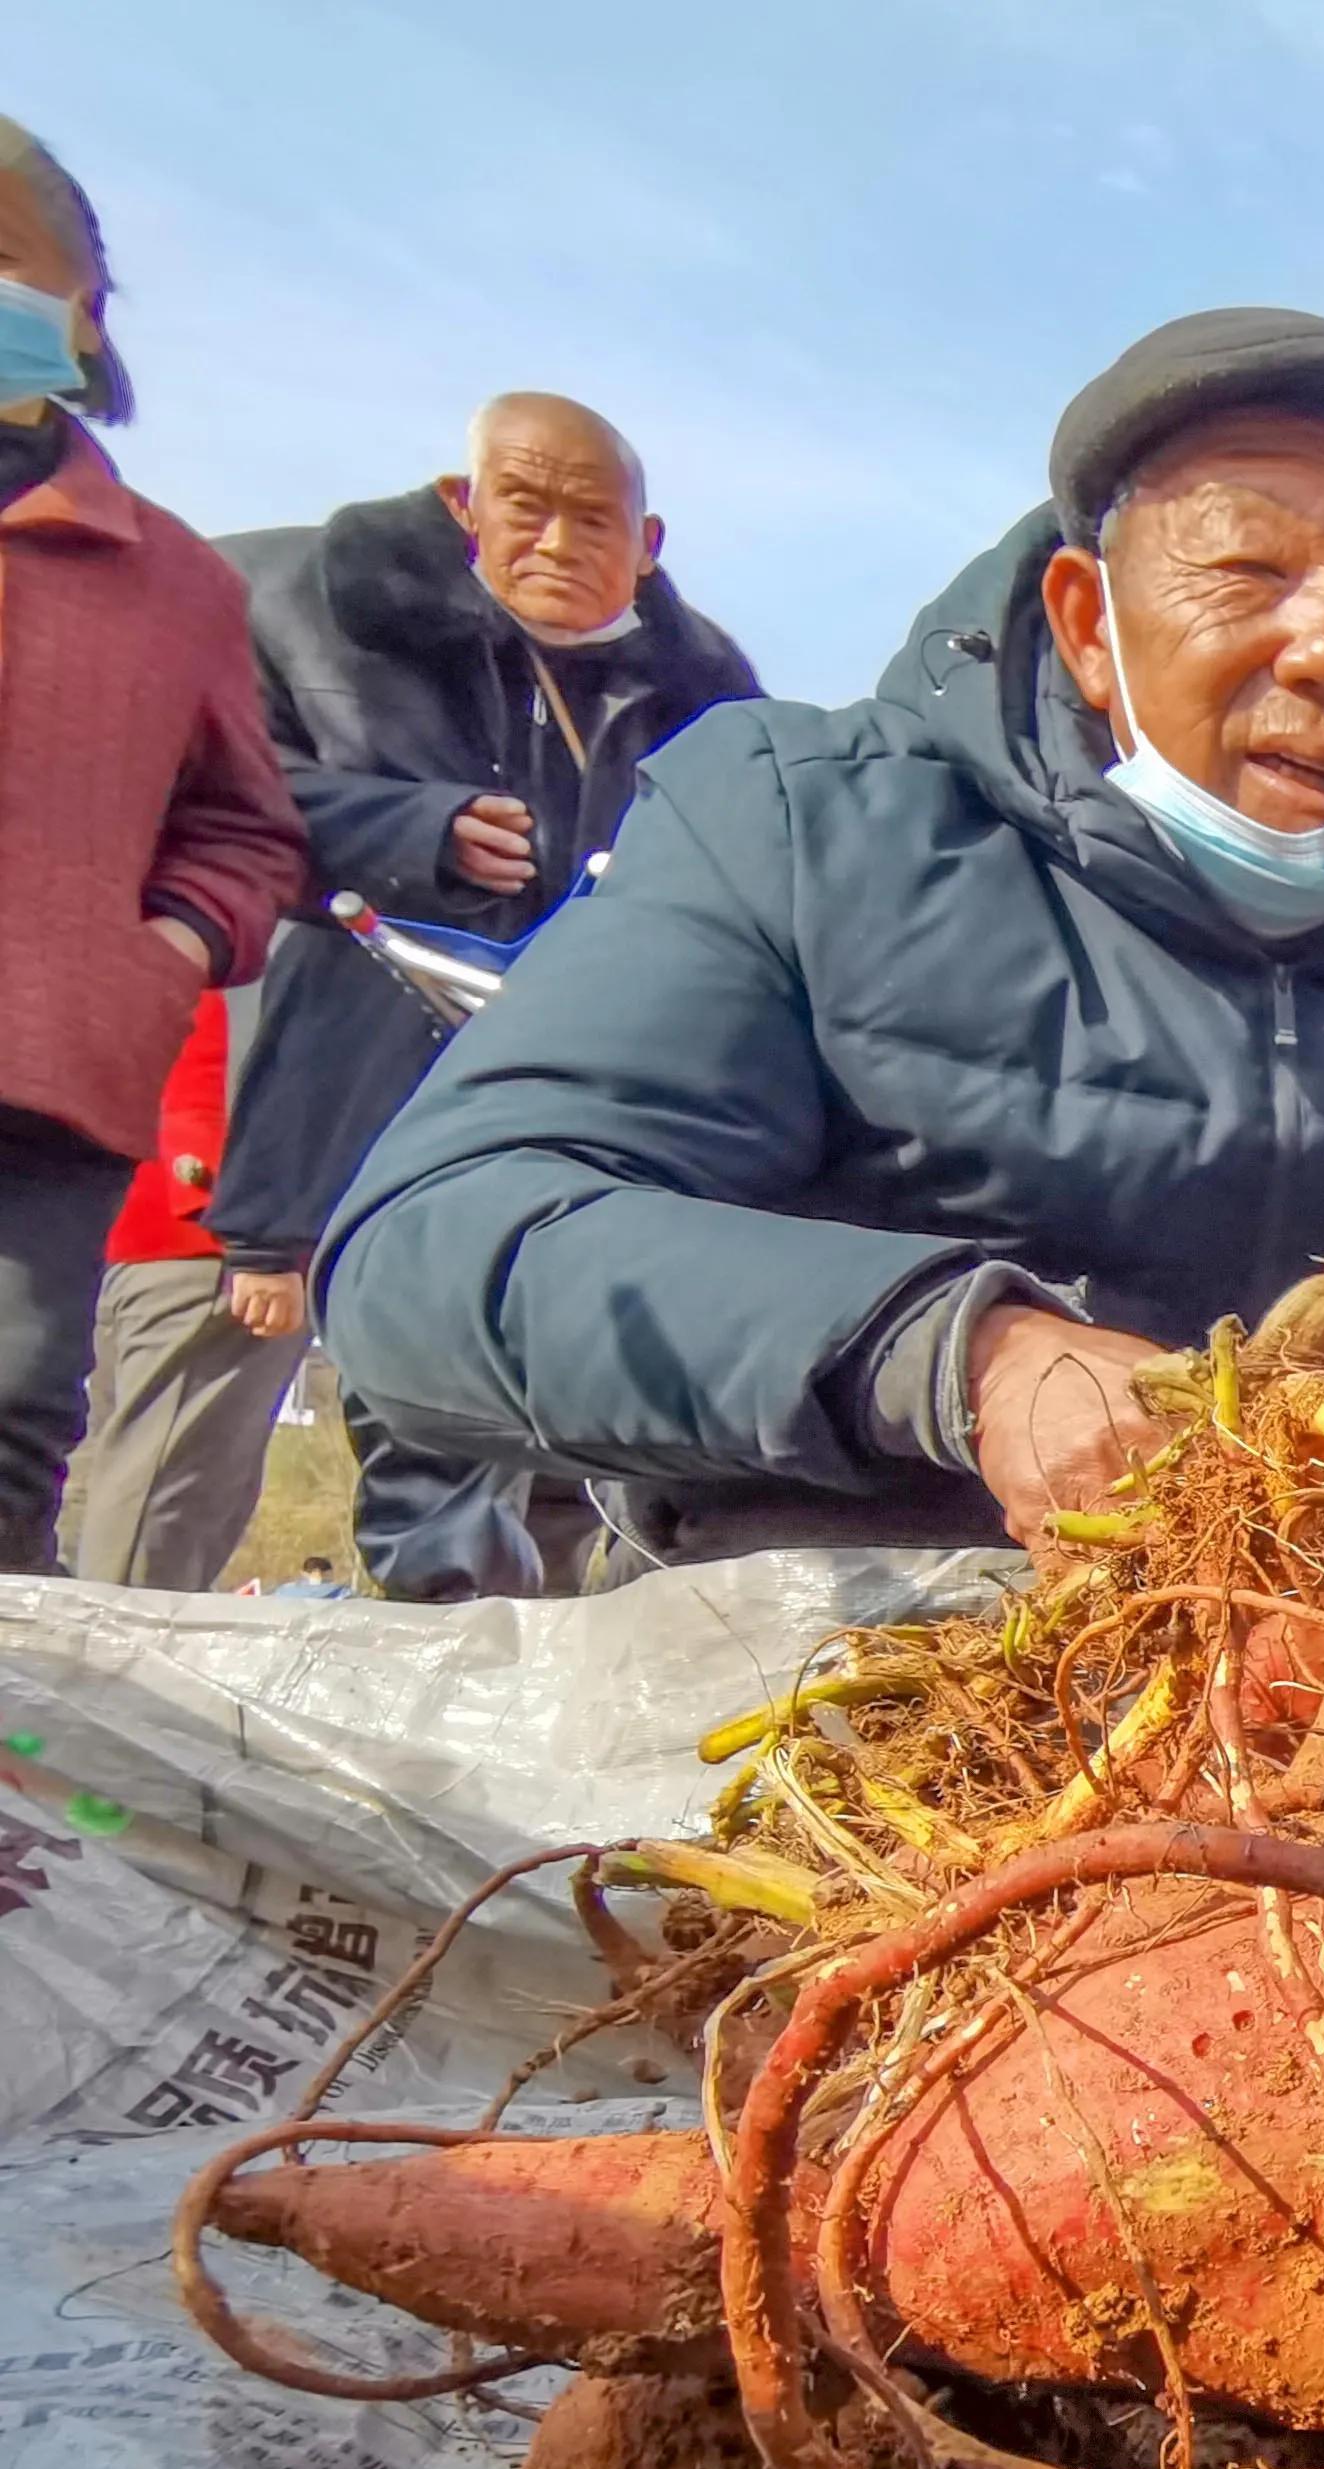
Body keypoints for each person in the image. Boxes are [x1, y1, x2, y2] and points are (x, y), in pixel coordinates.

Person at [321, 309, 1324, 1561]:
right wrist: (953, 1353)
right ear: (1086, 623)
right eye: (1247, 567)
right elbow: (439, 1246)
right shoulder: (799, 824)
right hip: (828, 1666)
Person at [203, 393, 763, 1599]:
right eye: (527, 507)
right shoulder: (317, 616)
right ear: (466, 509)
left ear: (649, 542)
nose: (557, 545)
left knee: (594, 1425)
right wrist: (411, 828)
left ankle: (568, 1667)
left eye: (592, 519)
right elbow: (217, 798)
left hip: (622, 1114)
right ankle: (444, 1641)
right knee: (424, 1409)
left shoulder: (715, 698)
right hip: (385, 1090)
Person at [0, 120, 307, 1574]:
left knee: (8, 1441)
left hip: (44, 1087)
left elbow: (247, 829)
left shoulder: (173, 577)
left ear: (82, 312)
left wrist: (163, 950)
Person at [62, 991, 302, 1590]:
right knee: (162, 1513)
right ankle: (112, 1676)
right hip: (208, 1243)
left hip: (138, 1228)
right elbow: (234, 1057)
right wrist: (258, 1231)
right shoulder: (265, 924)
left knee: (108, 1496)